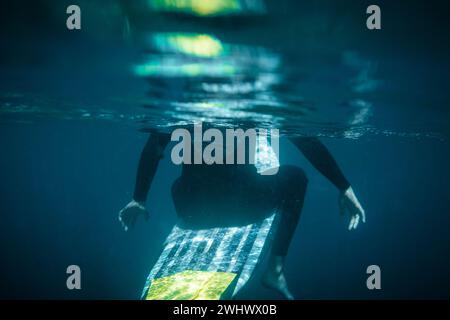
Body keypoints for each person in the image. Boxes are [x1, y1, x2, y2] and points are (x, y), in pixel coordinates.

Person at [119, 129, 365, 300]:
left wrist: (138, 198)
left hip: (193, 209)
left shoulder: (184, 102)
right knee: (295, 177)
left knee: (179, 181)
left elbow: (154, 147)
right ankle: (275, 271)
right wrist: (344, 187)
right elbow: (306, 141)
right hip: (241, 208)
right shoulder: (260, 97)